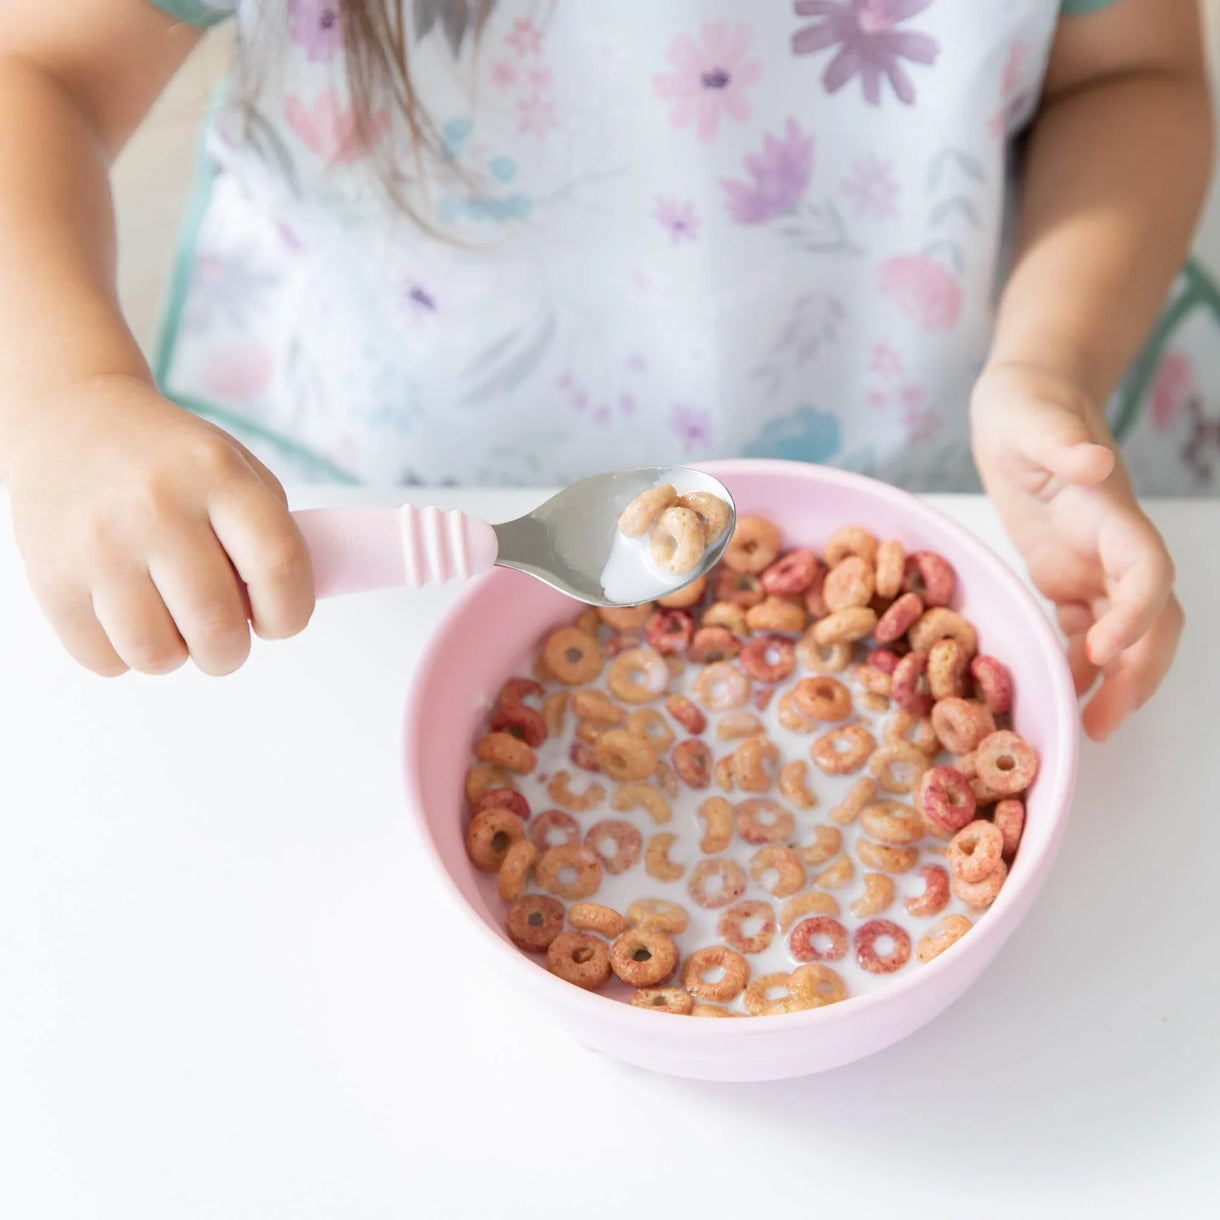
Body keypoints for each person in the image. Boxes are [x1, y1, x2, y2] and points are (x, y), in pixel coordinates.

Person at [0, 0, 1211, 744]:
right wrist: (67, 399)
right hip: (372, 487)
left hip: (921, 440)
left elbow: (1127, 80)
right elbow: (34, 69)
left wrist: (1049, 362)